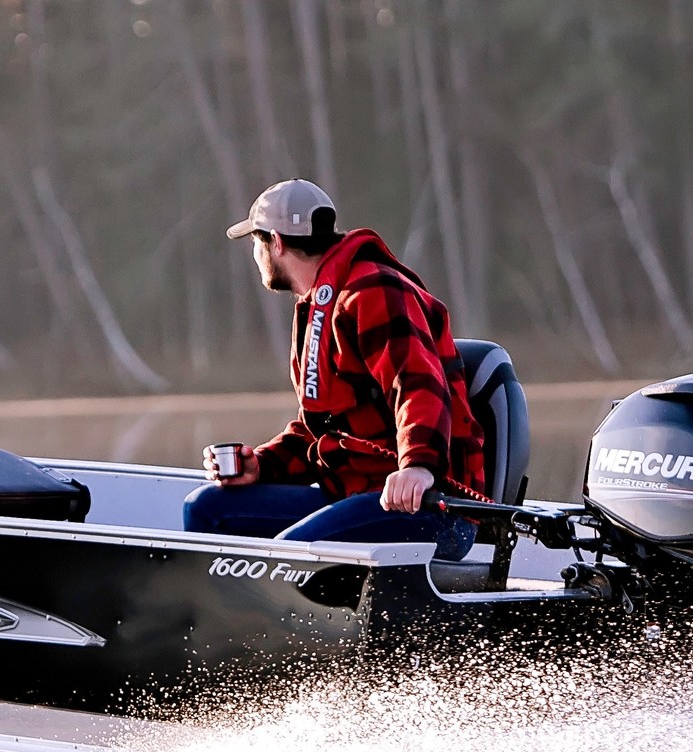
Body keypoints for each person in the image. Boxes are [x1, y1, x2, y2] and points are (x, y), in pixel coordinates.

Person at [185, 179, 489, 559]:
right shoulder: (319, 304)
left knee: (286, 558)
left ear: (275, 242)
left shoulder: (374, 290)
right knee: (207, 509)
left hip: (429, 508)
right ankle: (215, 617)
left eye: (255, 243)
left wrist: (418, 467)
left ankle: (259, 614)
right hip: (356, 493)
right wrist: (262, 465)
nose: (256, 255)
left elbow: (418, 384)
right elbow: (323, 425)